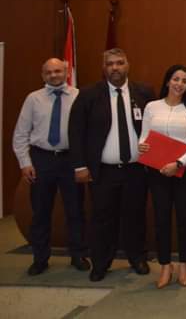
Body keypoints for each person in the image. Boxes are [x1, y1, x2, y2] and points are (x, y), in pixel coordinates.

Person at [68, 48, 154, 282]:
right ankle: (101, 263)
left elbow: (155, 127)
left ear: (128, 65)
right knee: (102, 219)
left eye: (119, 63)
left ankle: (137, 258)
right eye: (110, 64)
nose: (115, 67)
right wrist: (79, 166)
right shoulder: (88, 95)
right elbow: (75, 132)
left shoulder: (144, 93)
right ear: (104, 68)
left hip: (136, 169)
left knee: (135, 216)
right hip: (103, 171)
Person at [12, 58, 89, 275]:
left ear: (66, 72)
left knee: (75, 211)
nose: (53, 75)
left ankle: (78, 255)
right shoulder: (33, 99)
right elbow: (20, 134)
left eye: (57, 71)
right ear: (43, 75)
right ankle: (40, 258)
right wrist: (25, 163)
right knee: (40, 212)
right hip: (42, 159)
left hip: (71, 159)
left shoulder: (79, 96)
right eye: (49, 72)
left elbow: (87, 131)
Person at [137, 65, 186, 288]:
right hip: (157, 171)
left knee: (184, 218)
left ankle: (184, 263)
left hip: (185, 171)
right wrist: (141, 145)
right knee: (161, 218)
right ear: (167, 81)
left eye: (184, 81)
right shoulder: (152, 107)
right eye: (176, 79)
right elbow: (144, 136)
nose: (179, 84)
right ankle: (166, 265)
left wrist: (178, 163)